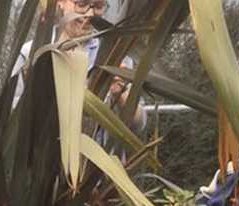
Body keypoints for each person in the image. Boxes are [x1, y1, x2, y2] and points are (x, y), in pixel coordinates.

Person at [12, 0, 146, 132]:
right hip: (43, 152)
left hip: (96, 153)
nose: (90, 13)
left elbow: (138, 124)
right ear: (61, 3)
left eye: (98, 6)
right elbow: (12, 116)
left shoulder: (114, 54)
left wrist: (122, 95)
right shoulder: (32, 53)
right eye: (81, 5)